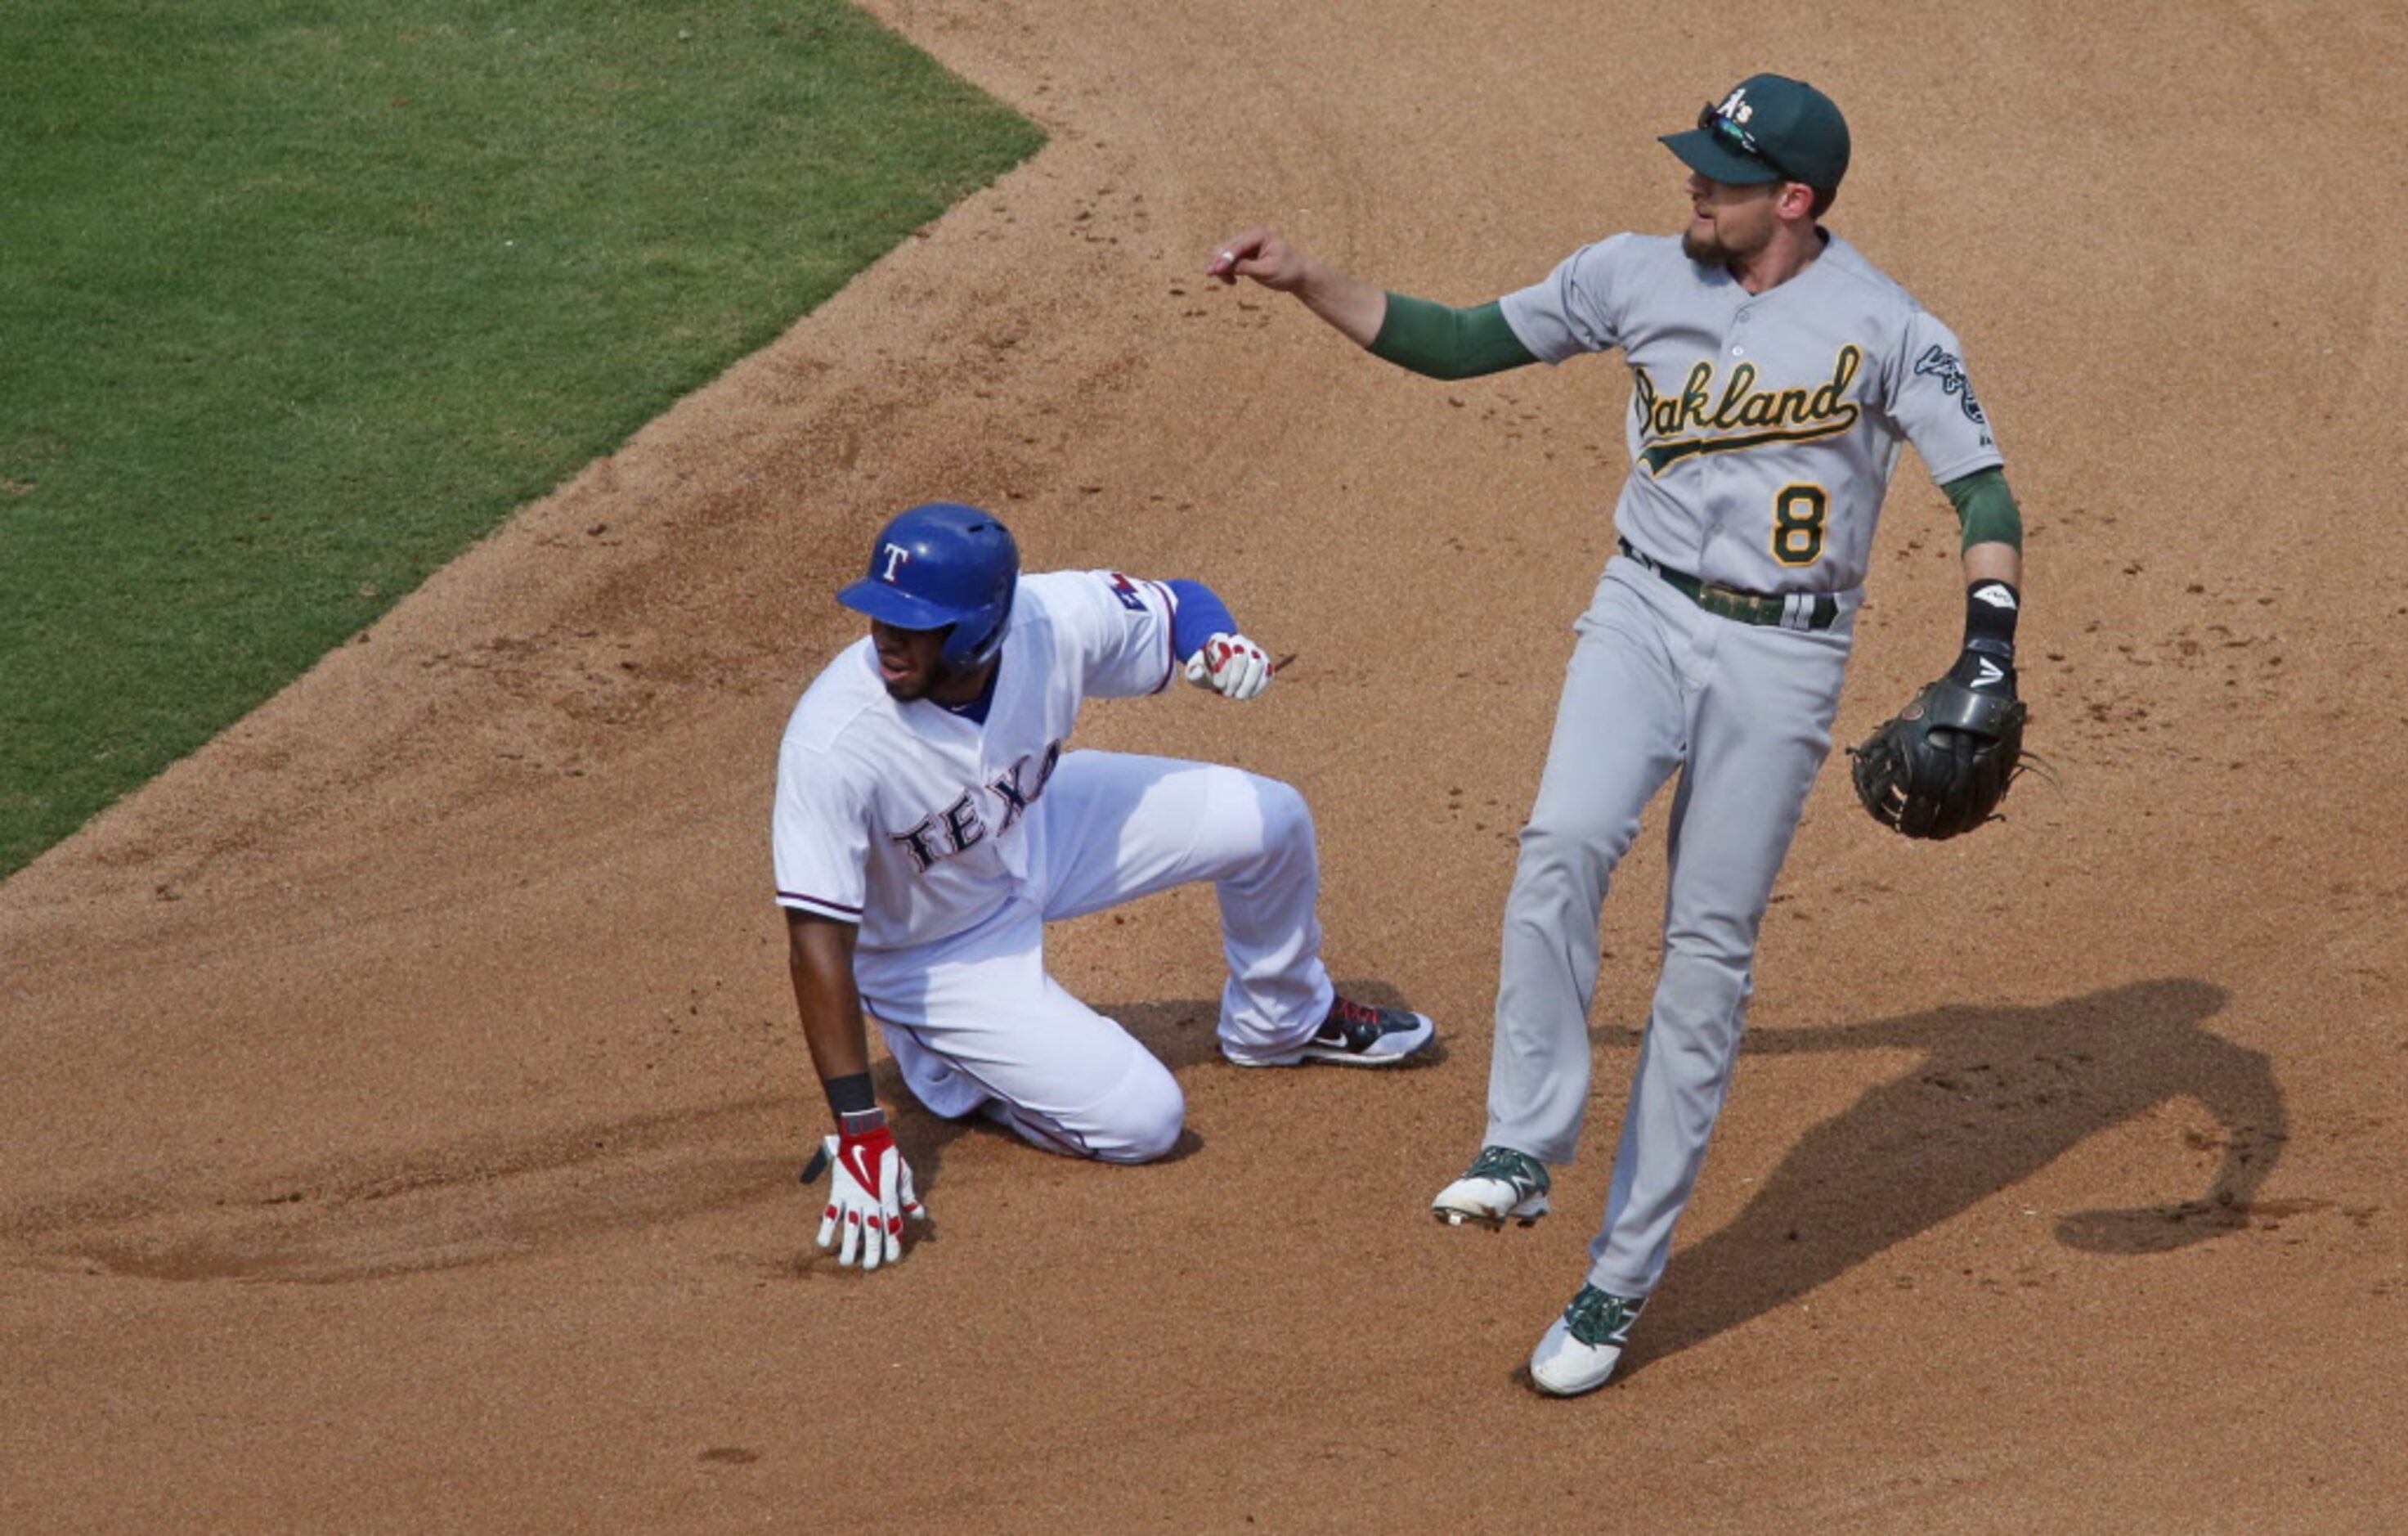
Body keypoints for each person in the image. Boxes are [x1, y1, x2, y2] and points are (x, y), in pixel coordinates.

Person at [1208, 74, 2028, 1395]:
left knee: (1704, 963)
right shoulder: (1634, 275)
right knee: (1564, 838)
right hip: (1640, 610)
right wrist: (1307, 275)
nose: (1693, 186)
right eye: (1699, 165)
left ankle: (1615, 1281)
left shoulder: (1888, 328)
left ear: (1796, 202)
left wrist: (1988, 644)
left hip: (1784, 655)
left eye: (1723, 175)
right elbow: (1463, 337)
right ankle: (1522, 1141)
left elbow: (1985, 490)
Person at [774, 501, 1436, 1272]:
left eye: (919, 622)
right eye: (881, 614)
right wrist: (859, 1129)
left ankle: (1282, 1019)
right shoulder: (833, 742)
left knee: (1270, 818)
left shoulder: (1048, 619)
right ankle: (946, 1059)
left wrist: (1216, 642)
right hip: (934, 950)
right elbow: (815, 937)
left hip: (1035, 822)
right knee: (1145, 1123)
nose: (888, 637)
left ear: (988, 625)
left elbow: (1179, 601)